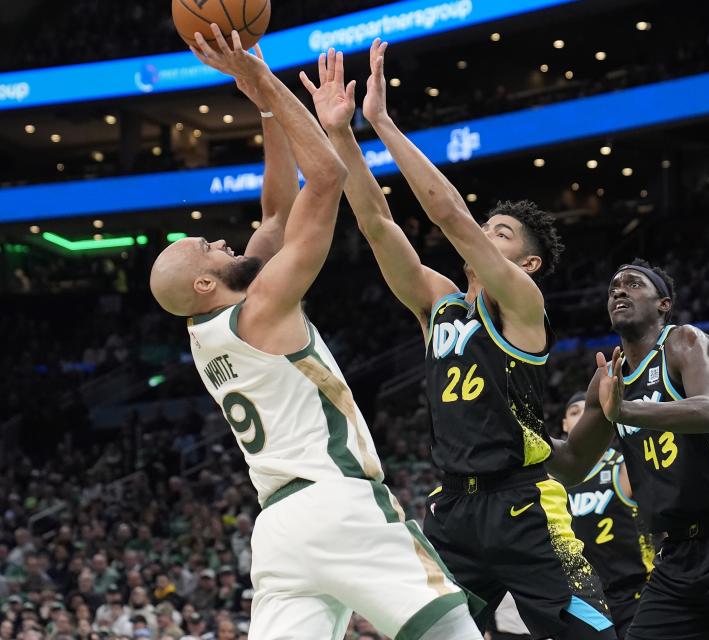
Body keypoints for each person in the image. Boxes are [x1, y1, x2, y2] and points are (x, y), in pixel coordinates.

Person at [150, 25, 480, 640]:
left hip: (279, 532)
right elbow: (324, 178)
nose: (221, 240)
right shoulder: (265, 307)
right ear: (202, 283)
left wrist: (268, 110)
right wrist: (260, 81)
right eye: (208, 247)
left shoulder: (215, 328)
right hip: (340, 504)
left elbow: (275, 212)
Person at [300, 39, 613, 639]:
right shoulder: (438, 303)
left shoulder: (523, 304)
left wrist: (383, 123)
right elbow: (376, 222)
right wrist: (340, 135)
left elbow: (449, 214)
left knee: (592, 632)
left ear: (528, 264)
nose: (484, 236)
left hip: (523, 502)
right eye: (487, 228)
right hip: (452, 509)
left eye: (500, 233)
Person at [549, 259, 709, 639]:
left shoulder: (683, 342)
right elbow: (571, 466)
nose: (618, 290)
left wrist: (626, 410)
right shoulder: (607, 379)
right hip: (678, 558)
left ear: (663, 303)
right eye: (613, 287)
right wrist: (518, 428)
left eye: (632, 284)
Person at [562, 391, 654, 638]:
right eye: (574, 412)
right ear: (564, 425)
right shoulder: (553, 480)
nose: (581, 416)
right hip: (583, 597)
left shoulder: (623, 465)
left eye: (587, 410)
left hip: (634, 594)